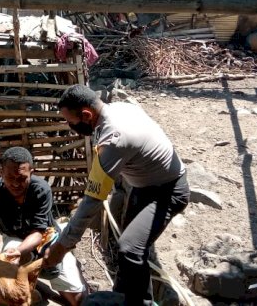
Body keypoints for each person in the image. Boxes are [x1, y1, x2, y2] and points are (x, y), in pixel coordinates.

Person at [43, 84, 190, 306]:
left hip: (168, 191)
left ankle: (142, 303)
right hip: (144, 187)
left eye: (71, 121)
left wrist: (62, 246)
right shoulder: (119, 108)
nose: (69, 126)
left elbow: (93, 199)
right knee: (132, 250)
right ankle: (126, 296)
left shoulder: (115, 138)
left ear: (86, 114)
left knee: (130, 248)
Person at [0, 147, 86, 306]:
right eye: (10, 177)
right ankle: (36, 287)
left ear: (31, 172)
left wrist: (19, 250)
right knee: (12, 283)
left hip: (45, 237)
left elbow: (38, 232)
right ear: (1, 173)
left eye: (22, 178)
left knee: (77, 300)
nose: (15, 183)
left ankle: (53, 283)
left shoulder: (41, 189)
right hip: (12, 237)